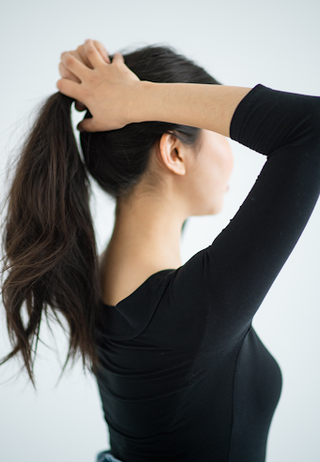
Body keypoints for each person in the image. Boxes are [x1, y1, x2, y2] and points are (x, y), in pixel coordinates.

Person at [1, 39, 319, 462]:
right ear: (173, 152)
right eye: (223, 135)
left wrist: (134, 100)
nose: (234, 153)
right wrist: (137, 99)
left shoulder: (97, 277)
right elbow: (312, 130)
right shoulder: (191, 313)